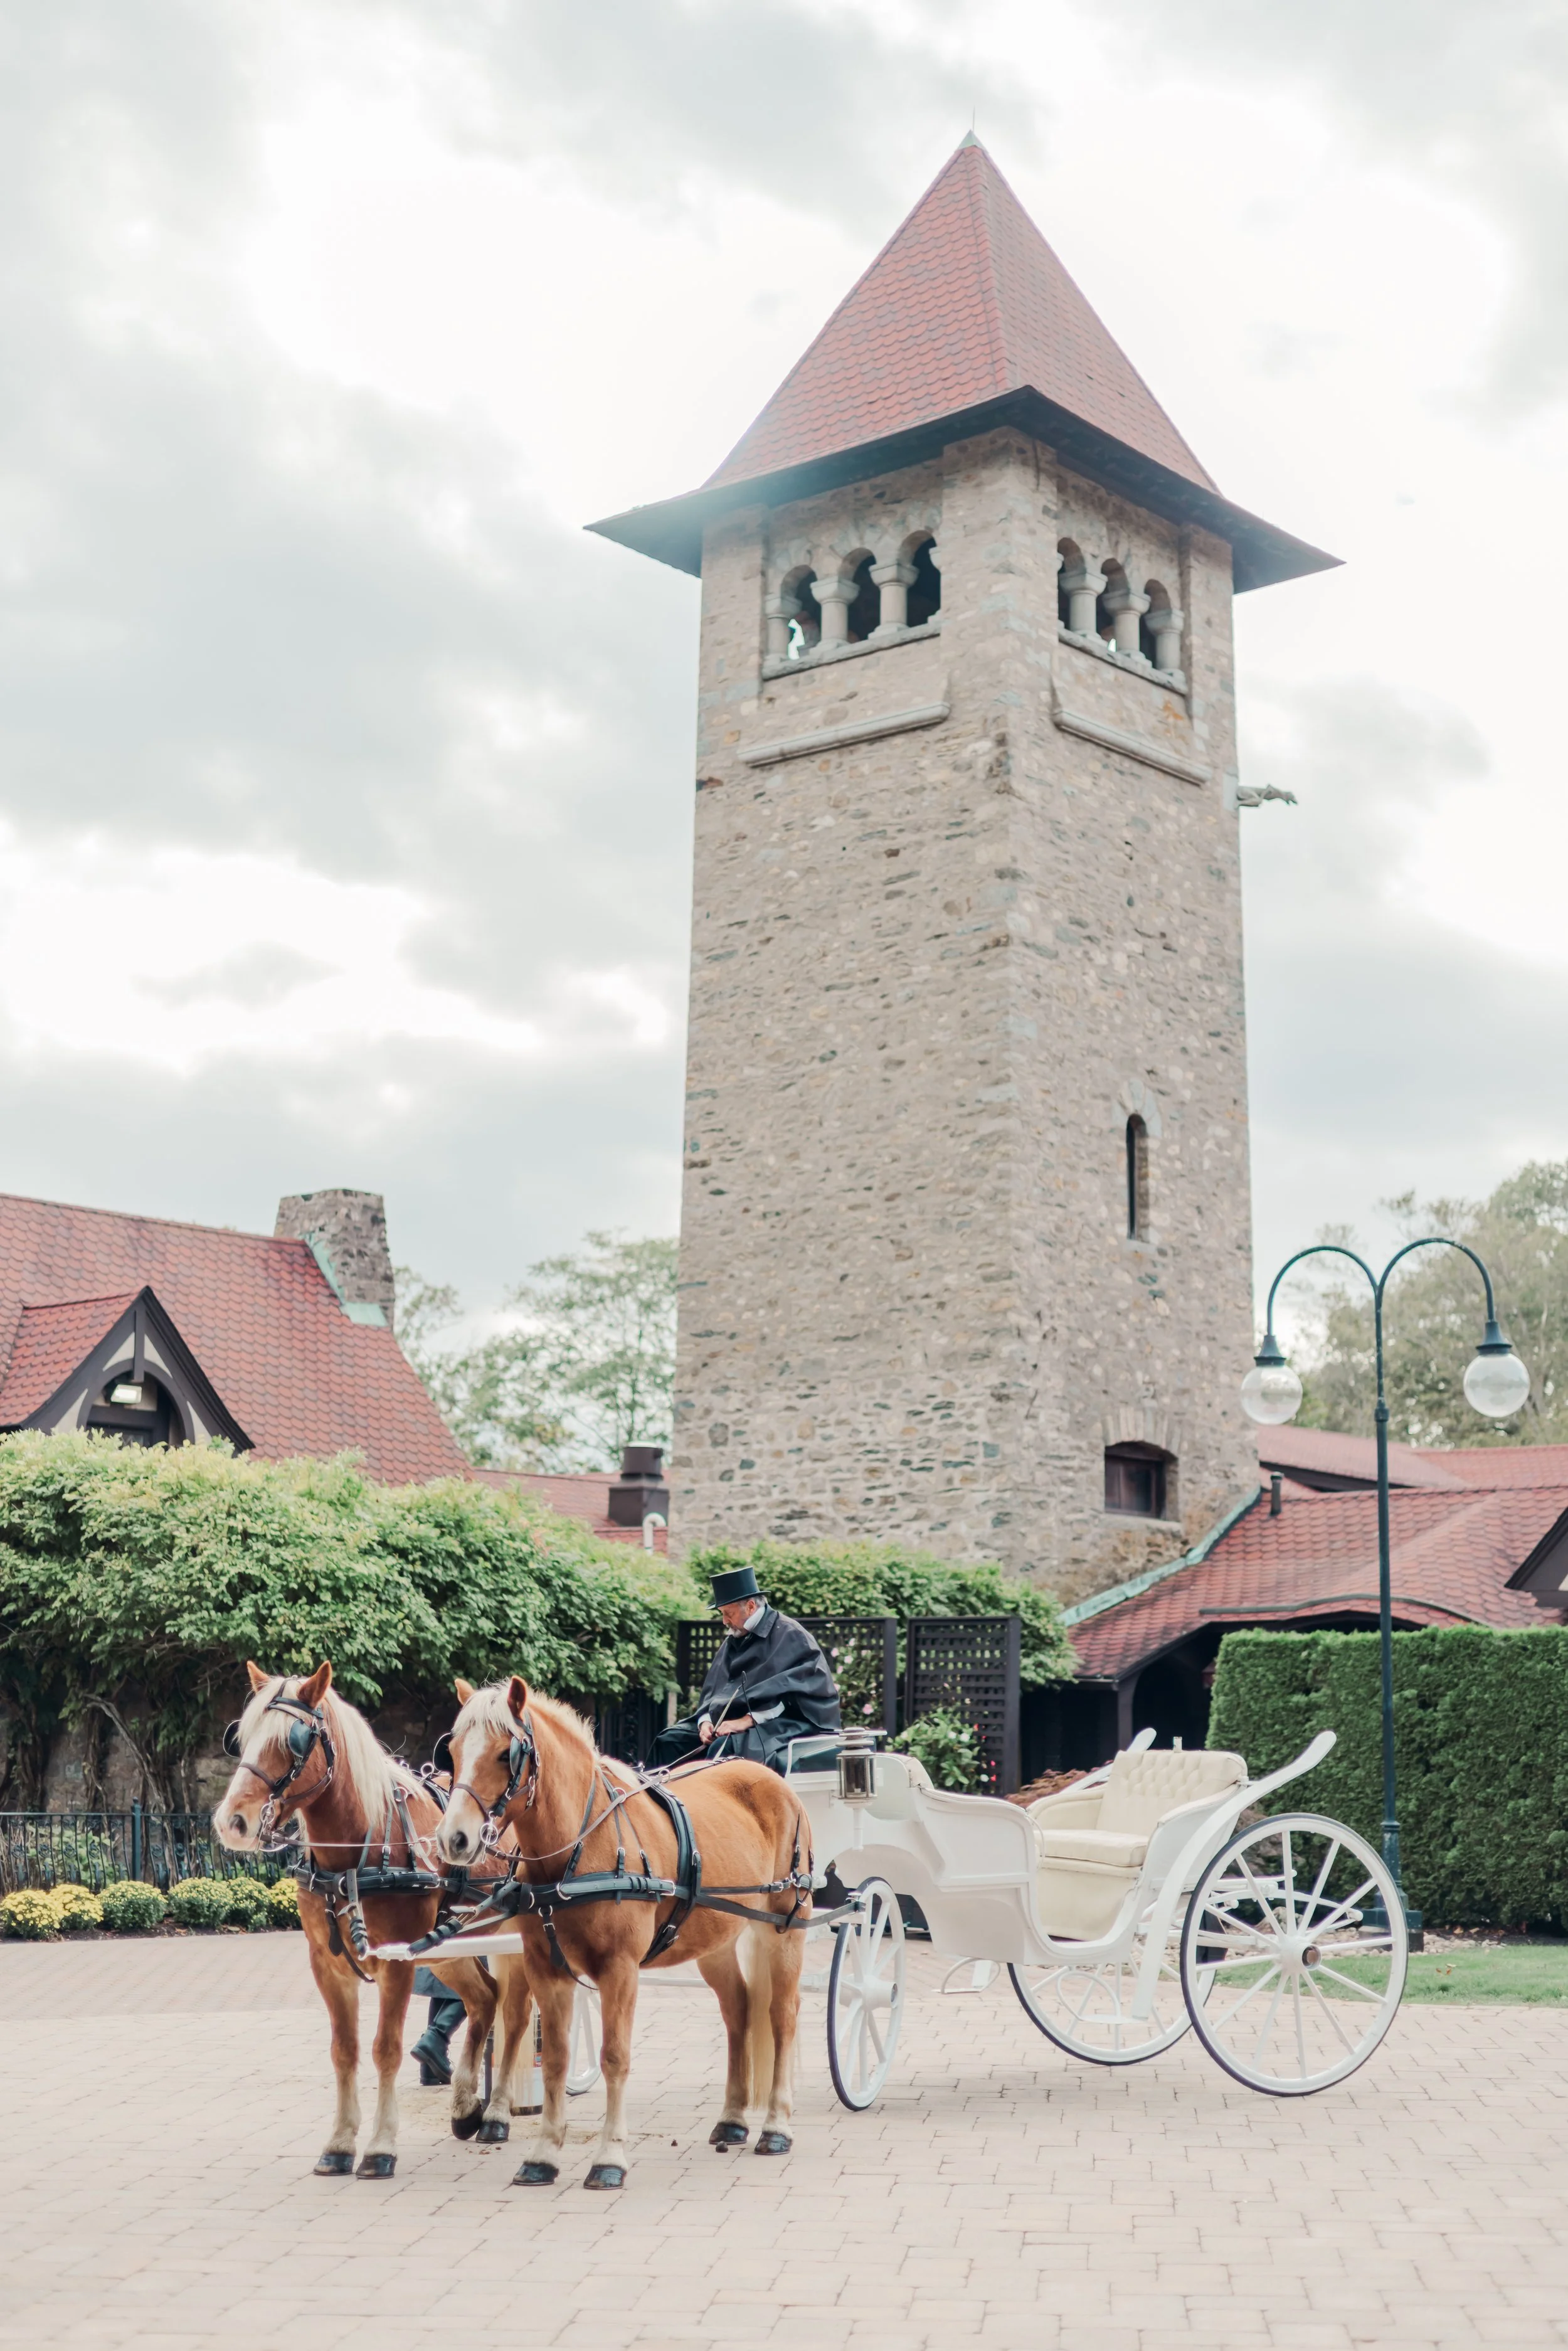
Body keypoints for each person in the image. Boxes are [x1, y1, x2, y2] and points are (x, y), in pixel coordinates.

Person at [647, 1564, 841, 1775]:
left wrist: (745, 1721)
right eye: (722, 1614)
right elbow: (715, 1691)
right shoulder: (735, 1637)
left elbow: (795, 1696)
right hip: (729, 1723)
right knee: (669, 1741)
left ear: (750, 1607)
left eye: (728, 1613)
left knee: (724, 1749)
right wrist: (706, 1722)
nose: (724, 1621)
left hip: (788, 1722)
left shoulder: (792, 1636)